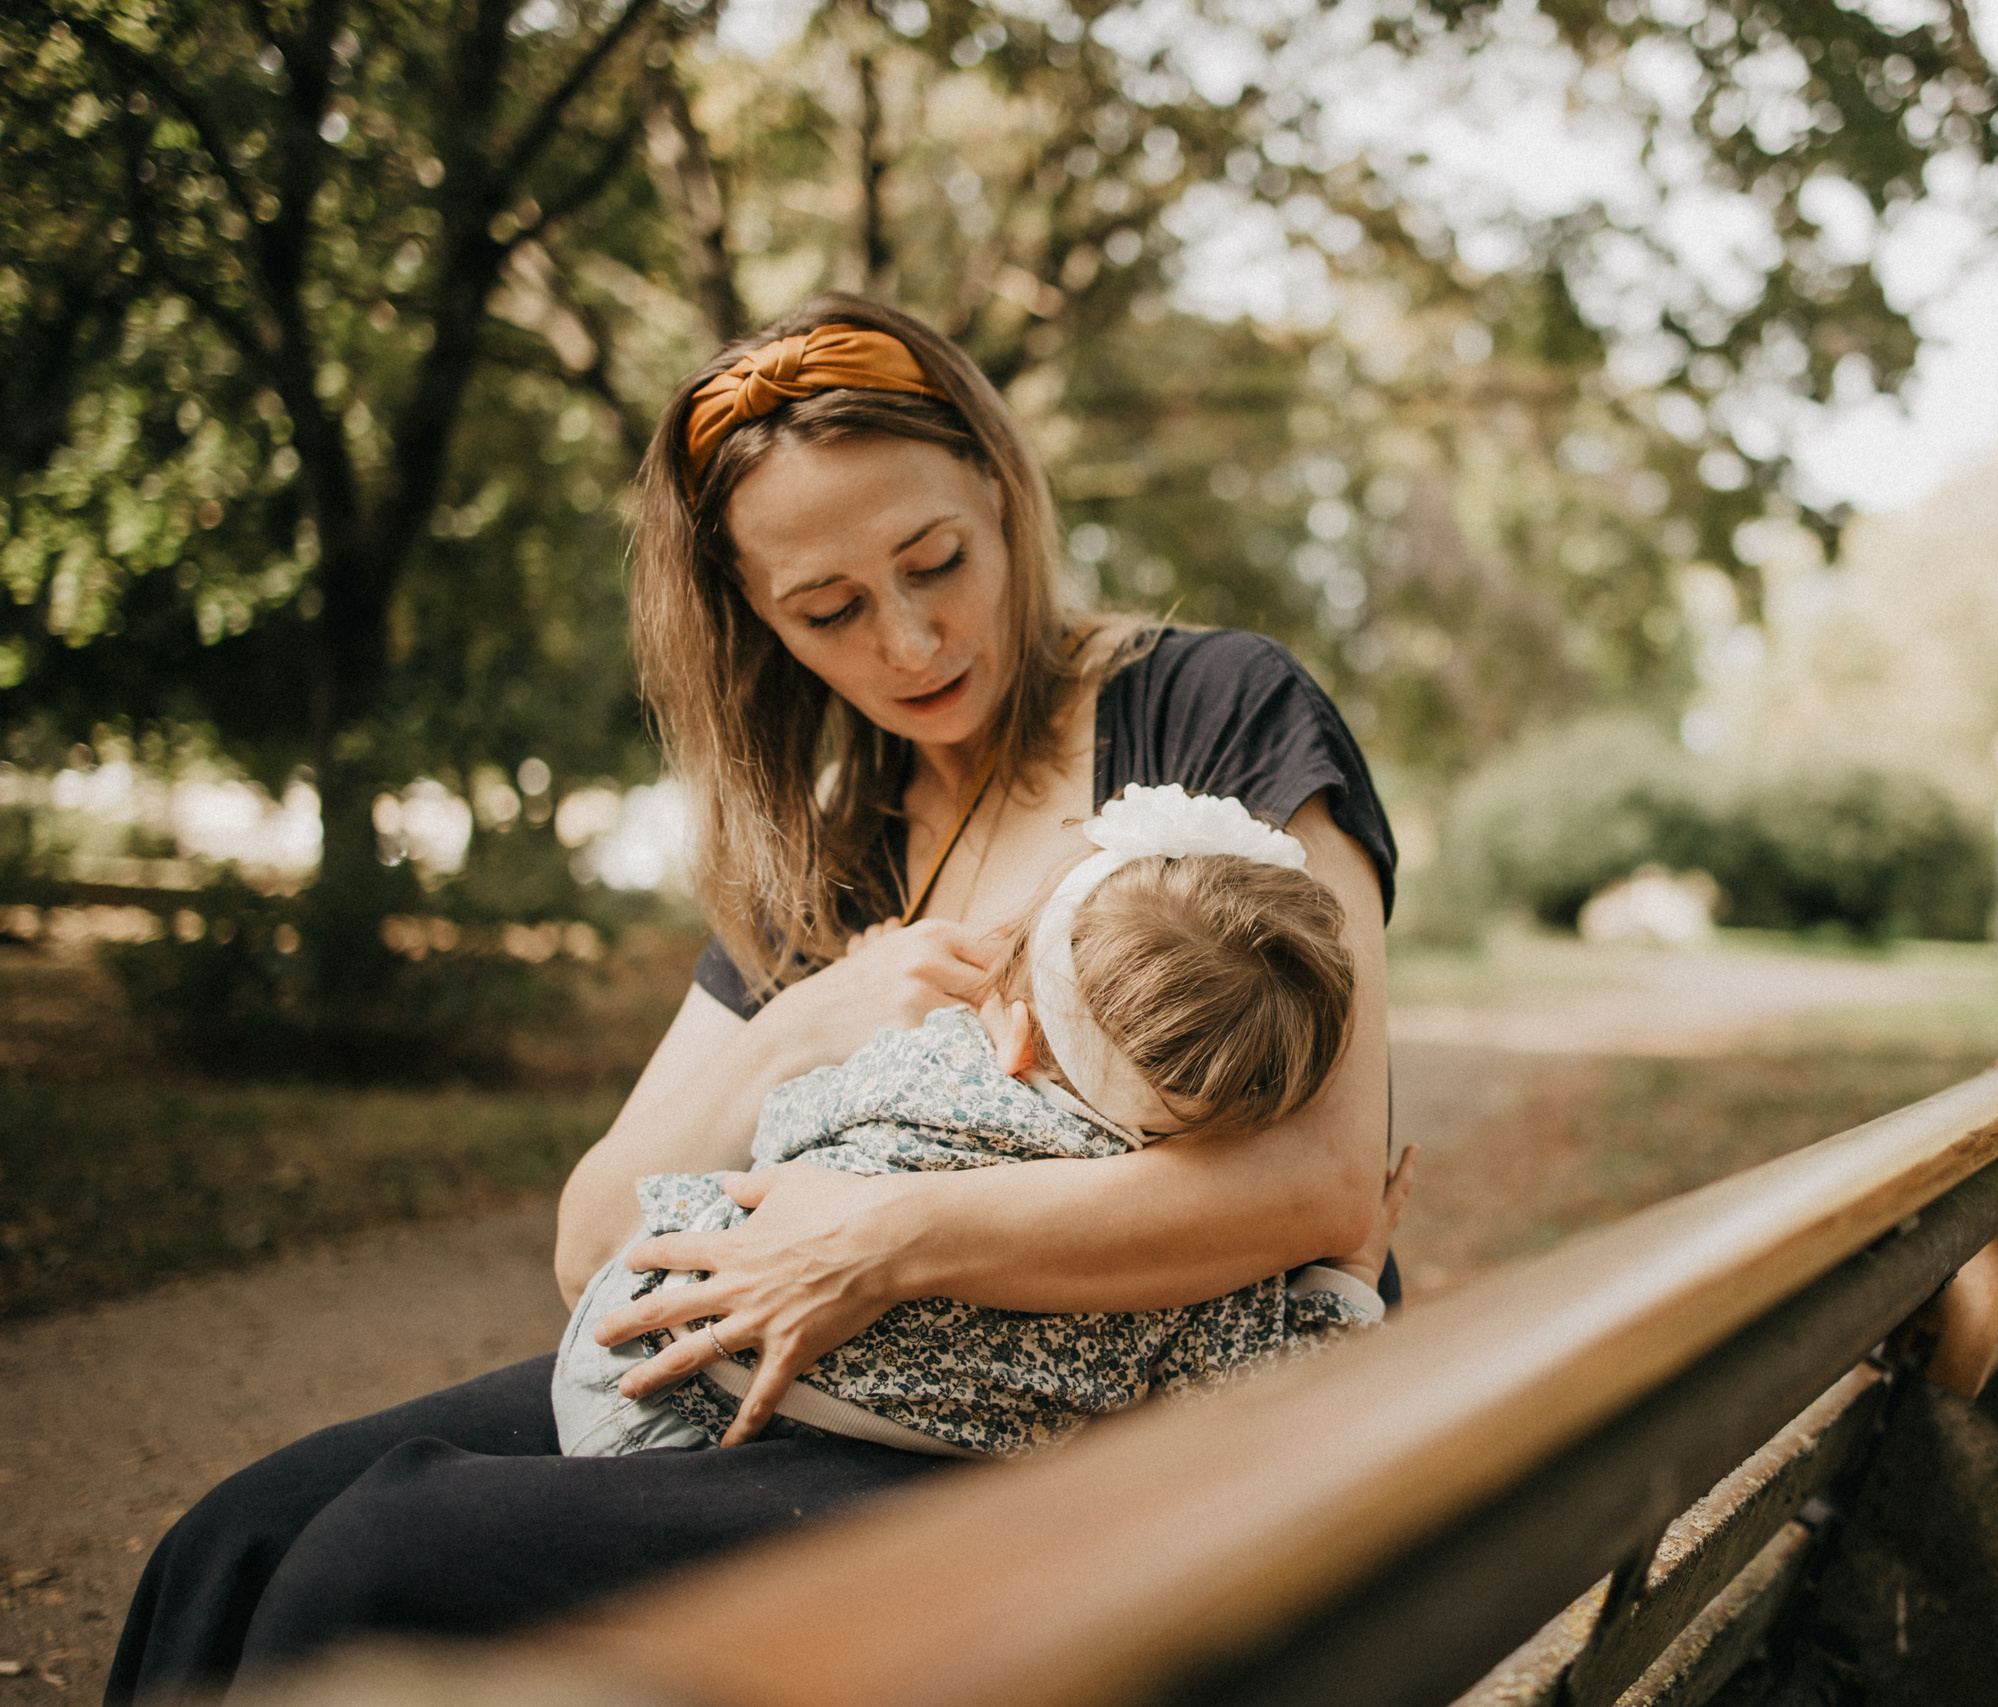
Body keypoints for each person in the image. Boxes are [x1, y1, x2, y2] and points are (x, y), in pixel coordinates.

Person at [107, 292, 1404, 1703]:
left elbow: (1320, 1181)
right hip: (801, 1390)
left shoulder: (1211, 711)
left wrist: (886, 1236)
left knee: (387, 1557)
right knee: (231, 1541)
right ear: (755, 619)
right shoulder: (832, 837)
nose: (908, 643)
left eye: (935, 561)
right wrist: (810, 1016)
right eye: (830, 610)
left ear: (997, 482)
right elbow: (592, 1237)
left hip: (1078, 1424)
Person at [553, 788, 1415, 1460]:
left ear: (1018, 1026)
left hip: (642, 1335)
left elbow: (785, 1130)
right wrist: (1346, 1279)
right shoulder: (1186, 1272)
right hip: (714, 1403)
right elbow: (1261, 1402)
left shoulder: (924, 1062)